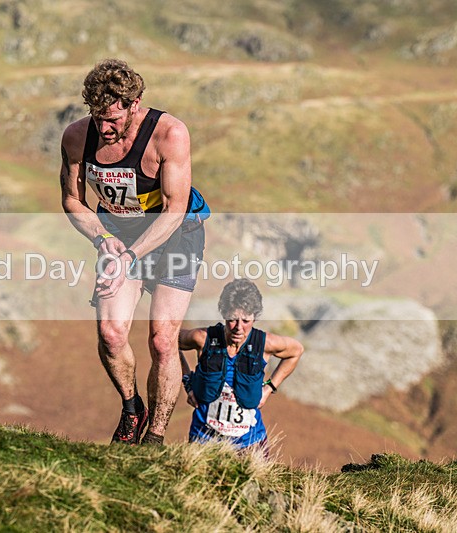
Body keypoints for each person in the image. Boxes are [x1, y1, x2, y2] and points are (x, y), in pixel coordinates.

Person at [60, 58, 209, 445]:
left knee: (162, 339)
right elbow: (73, 201)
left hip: (176, 234)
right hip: (119, 235)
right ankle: (132, 409)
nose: (105, 129)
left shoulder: (170, 133)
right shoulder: (77, 137)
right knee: (110, 333)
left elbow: (175, 209)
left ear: (135, 104)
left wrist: (131, 256)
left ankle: (155, 439)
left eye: (112, 119)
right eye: (97, 118)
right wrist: (101, 238)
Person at [178, 279, 303, 452]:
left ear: (255, 316)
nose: (238, 328)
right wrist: (187, 381)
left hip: (250, 444)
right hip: (203, 441)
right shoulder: (203, 338)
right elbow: (167, 340)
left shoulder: (265, 343)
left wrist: (269, 388)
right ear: (223, 313)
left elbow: (296, 350)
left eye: (246, 320)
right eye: (232, 319)